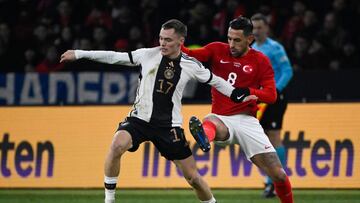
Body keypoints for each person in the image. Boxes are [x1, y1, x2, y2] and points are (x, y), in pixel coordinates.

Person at [60, 19, 247, 203]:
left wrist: (236, 94)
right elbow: (114, 56)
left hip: (168, 127)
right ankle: (109, 200)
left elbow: (216, 80)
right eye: (161, 38)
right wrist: (79, 53)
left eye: (168, 40)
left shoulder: (191, 65)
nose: (162, 43)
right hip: (139, 120)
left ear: (181, 41)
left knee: (193, 178)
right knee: (117, 145)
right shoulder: (147, 55)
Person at [181, 16, 294, 203]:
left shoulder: (261, 61)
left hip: (247, 121)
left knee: (279, 175)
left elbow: (271, 95)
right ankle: (204, 136)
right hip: (221, 117)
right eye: (229, 38)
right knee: (212, 122)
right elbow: (192, 54)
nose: (231, 44)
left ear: (250, 40)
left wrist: (249, 91)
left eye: (237, 40)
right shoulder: (217, 49)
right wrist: (177, 44)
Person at [251, 13, 294, 198]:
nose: (257, 31)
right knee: (262, 140)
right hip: (259, 99)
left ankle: (275, 182)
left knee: (274, 137)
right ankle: (272, 180)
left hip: (275, 98)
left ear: (267, 28)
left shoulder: (275, 48)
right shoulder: (251, 49)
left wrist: (275, 89)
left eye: (260, 27)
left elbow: (287, 71)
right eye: (254, 28)